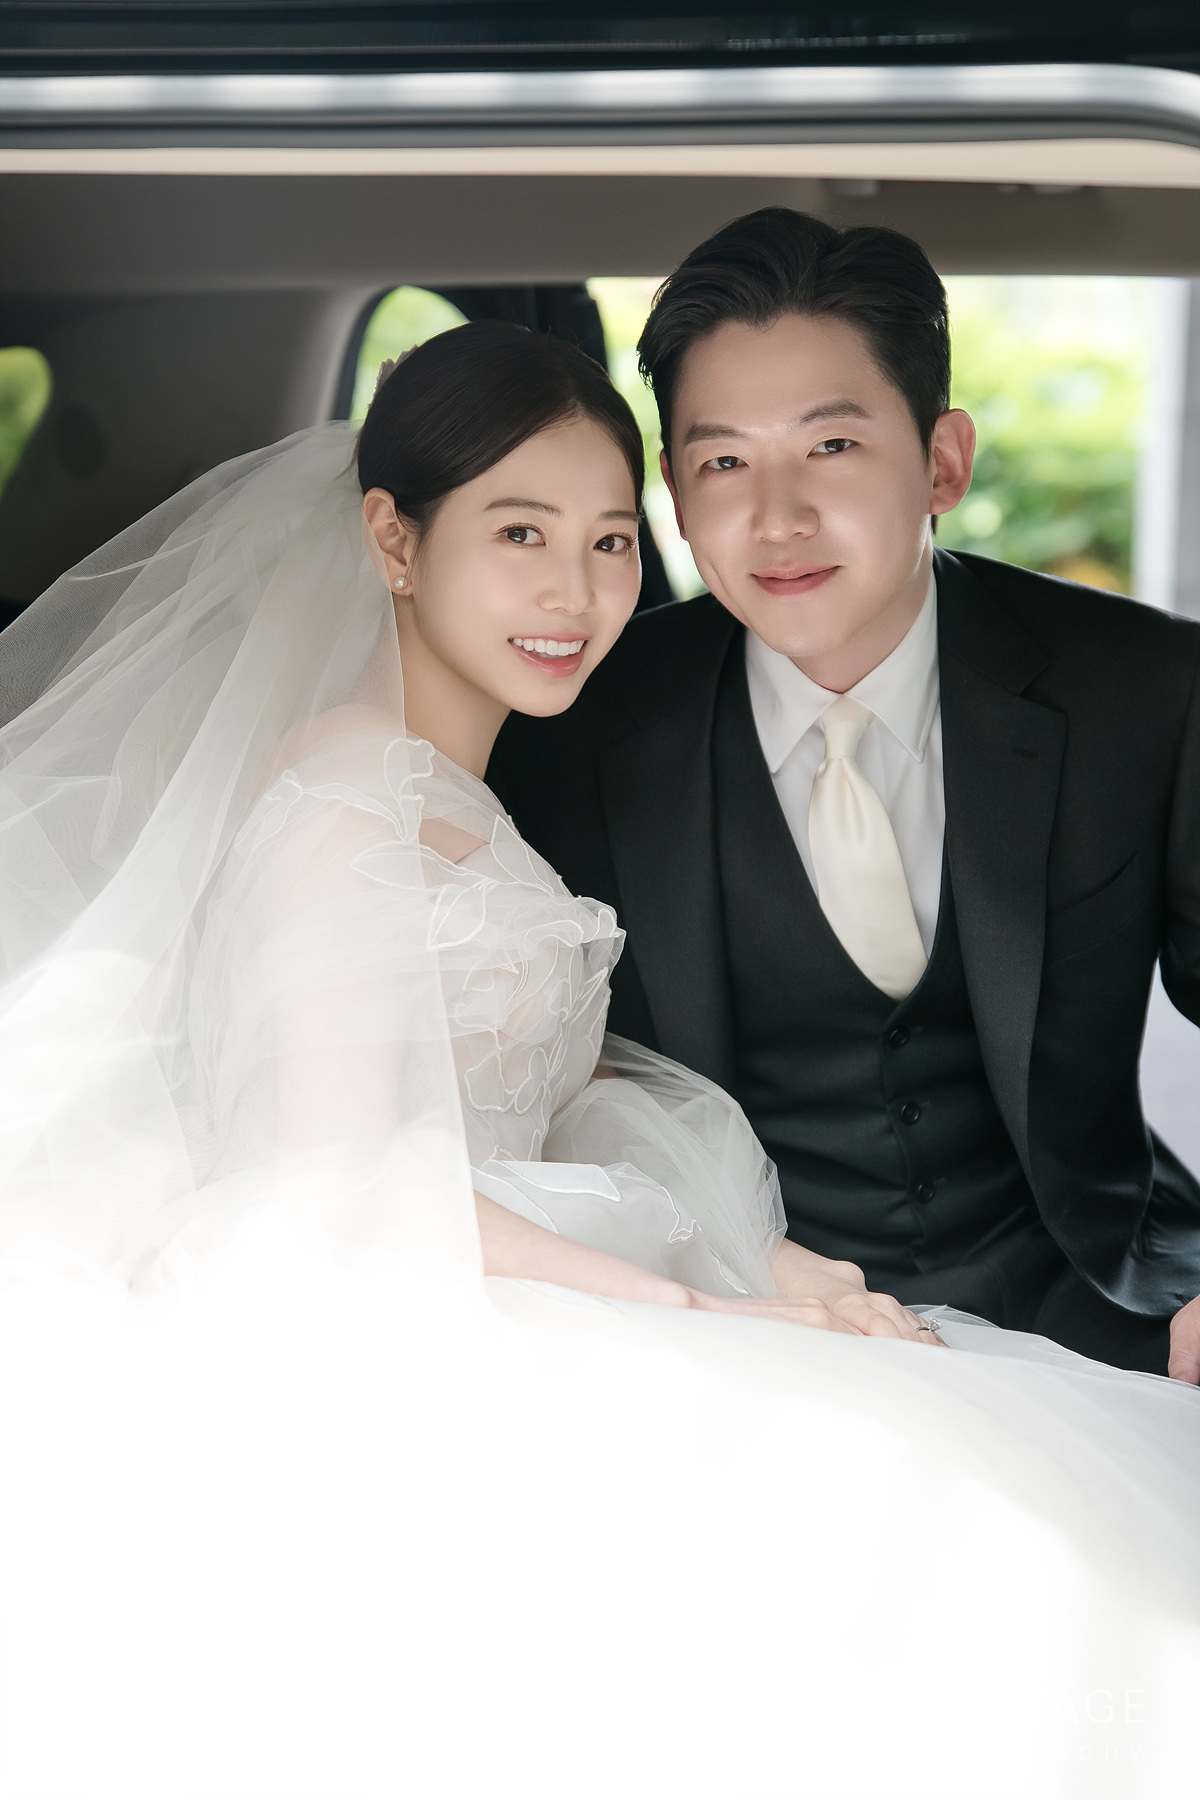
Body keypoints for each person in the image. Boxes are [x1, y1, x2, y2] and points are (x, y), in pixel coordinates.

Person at [0, 319, 1196, 1799]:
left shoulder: (466, 790)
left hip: (519, 1273)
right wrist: (692, 1301)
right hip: (397, 1335)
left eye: (614, 542)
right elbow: (340, 1182)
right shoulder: (336, 809)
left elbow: (558, 1116)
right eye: (520, 534)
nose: (576, 595)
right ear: (391, 537)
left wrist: (760, 1265)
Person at [490, 207, 1200, 1383]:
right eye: (723, 461)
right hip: (745, 1334)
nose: (776, 518)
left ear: (943, 460)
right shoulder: (570, 731)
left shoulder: (1147, 691)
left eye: (830, 448)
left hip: (1106, 1309)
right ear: (671, 486)